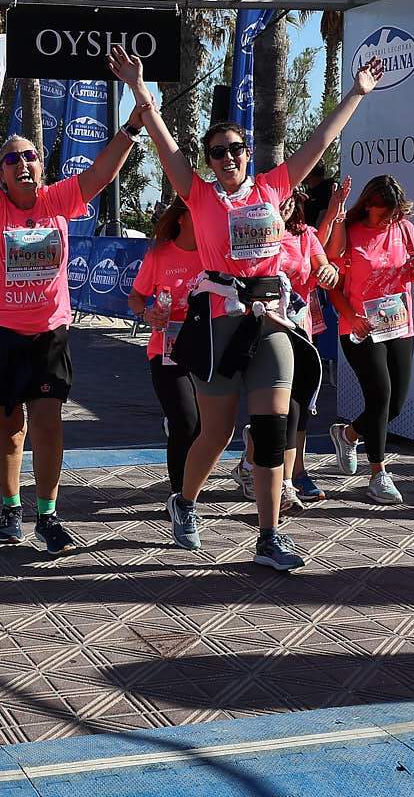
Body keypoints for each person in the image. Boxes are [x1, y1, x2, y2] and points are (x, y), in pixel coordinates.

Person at [116, 44, 387, 573]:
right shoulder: (197, 194)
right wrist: (139, 90)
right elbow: (160, 139)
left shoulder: (271, 186)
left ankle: (268, 536)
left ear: (247, 152)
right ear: (208, 161)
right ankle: (185, 501)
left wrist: (356, 92)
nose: (229, 157)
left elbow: (319, 141)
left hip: (272, 322)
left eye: (236, 148)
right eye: (218, 152)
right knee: (214, 433)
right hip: (220, 327)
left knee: (271, 427)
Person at [0, 91, 141, 554]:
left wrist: (129, 129)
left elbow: (100, 173)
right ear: (0, 173)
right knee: (8, 429)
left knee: (48, 422)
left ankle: (48, 514)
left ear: (41, 167)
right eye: (12, 159)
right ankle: (11, 507)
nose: (23, 163)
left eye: (30, 156)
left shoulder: (58, 199)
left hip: (48, 330)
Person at [323, 175, 414, 506]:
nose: (389, 220)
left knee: (395, 404)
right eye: (384, 214)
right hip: (359, 329)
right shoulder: (352, 232)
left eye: (394, 214)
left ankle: (348, 435)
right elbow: (333, 286)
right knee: (380, 396)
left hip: (400, 326)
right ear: (369, 205)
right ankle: (378, 474)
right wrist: (352, 317)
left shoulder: (404, 228)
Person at [128, 199, 202, 502]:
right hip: (166, 351)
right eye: (199, 212)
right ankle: (180, 497)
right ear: (182, 218)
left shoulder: (215, 254)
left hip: (206, 351)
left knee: (203, 428)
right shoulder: (159, 255)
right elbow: (135, 297)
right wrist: (147, 314)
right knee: (187, 423)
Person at [276, 187, 340, 506]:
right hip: (267, 330)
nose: (284, 205)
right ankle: (279, 478)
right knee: (281, 407)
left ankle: (295, 472)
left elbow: (323, 266)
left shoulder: (306, 236)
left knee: (300, 407)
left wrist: (328, 271)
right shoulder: (254, 236)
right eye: (278, 199)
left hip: (300, 329)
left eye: (289, 199)